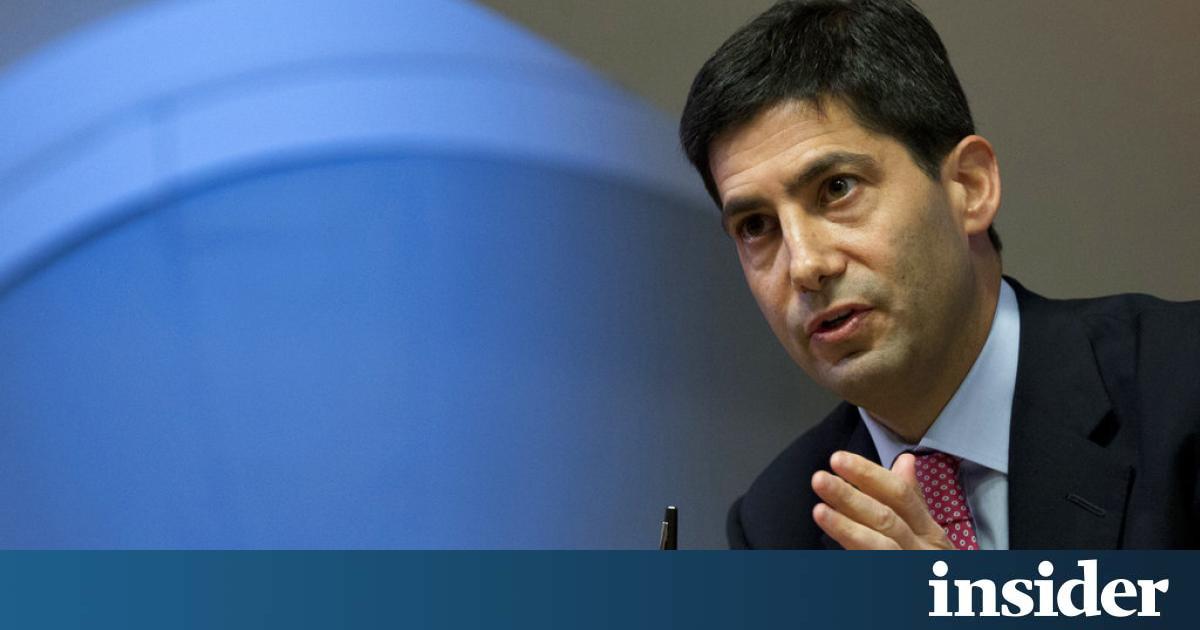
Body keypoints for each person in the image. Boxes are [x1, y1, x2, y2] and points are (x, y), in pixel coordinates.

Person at [678, 0, 1200, 549]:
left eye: (837, 189)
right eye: (756, 226)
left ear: (970, 187)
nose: (805, 265)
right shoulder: (779, 525)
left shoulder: (1181, 385)